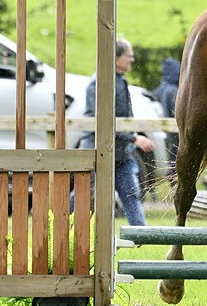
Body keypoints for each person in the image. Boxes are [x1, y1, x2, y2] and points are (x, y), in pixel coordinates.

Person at [77, 38, 153, 227]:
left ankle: (142, 236)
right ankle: (68, 227)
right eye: (129, 56)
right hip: (96, 147)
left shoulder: (119, 81)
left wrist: (130, 138)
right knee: (83, 194)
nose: (132, 60)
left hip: (120, 150)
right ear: (116, 58)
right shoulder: (99, 83)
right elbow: (103, 120)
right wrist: (134, 138)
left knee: (131, 192)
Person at [155, 57, 180, 171]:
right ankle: (173, 180)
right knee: (176, 159)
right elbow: (177, 112)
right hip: (175, 132)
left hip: (167, 132)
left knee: (171, 157)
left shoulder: (163, 89)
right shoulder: (173, 91)